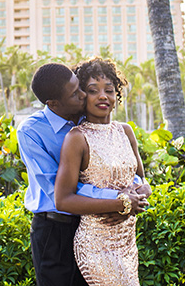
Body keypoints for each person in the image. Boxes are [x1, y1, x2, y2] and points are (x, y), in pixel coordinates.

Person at [17, 62, 148, 286]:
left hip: (98, 225)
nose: (83, 95)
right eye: (79, 92)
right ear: (54, 103)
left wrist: (135, 192)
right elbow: (57, 193)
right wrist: (118, 201)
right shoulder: (31, 131)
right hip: (55, 228)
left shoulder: (90, 120)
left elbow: (129, 172)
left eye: (81, 88)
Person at [54, 58, 149, 286]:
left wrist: (139, 196)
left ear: (117, 95)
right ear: (82, 96)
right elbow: (63, 200)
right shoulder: (76, 138)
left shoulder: (125, 131)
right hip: (96, 244)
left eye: (109, 90)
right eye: (93, 91)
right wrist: (120, 205)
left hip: (127, 241)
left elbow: (143, 180)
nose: (103, 96)